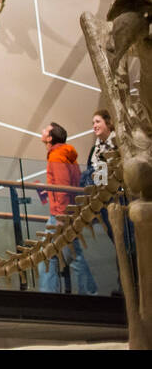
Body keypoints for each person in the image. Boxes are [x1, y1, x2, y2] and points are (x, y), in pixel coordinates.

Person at [35, 123, 97, 295]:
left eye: (45, 130)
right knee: (65, 255)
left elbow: (63, 187)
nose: (42, 131)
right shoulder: (65, 155)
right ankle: (89, 293)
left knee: (48, 255)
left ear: (50, 137)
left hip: (60, 215)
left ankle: (53, 296)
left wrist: (61, 216)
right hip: (66, 213)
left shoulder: (56, 156)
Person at [83, 110, 137, 290]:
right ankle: (125, 285)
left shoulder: (118, 145)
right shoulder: (95, 149)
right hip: (104, 203)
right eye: (93, 122)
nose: (94, 126)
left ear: (108, 123)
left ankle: (131, 285)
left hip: (122, 200)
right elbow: (91, 176)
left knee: (129, 243)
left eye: (97, 121)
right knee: (118, 242)